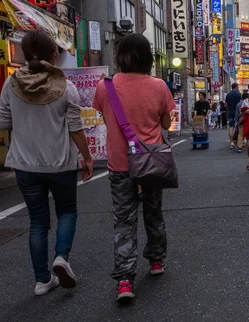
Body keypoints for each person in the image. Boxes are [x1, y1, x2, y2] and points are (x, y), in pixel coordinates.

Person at [0, 30, 93, 296]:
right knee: (67, 212)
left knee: (38, 222)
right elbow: (76, 128)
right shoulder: (66, 86)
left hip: (25, 165)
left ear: (23, 53)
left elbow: (3, 121)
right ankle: (61, 257)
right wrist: (86, 158)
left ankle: (42, 280)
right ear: (54, 55)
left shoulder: (11, 84)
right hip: (60, 164)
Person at [92, 33, 176, 302]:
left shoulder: (105, 87)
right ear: (149, 57)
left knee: (123, 220)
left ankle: (125, 280)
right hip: (151, 161)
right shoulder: (159, 86)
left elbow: (104, 118)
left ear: (120, 56)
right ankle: (156, 260)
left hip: (119, 163)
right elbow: (165, 125)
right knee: (153, 212)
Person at [226, 83, 242, 148]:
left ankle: (231, 142)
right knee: (239, 126)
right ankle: (239, 140)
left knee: (231, 127)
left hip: (230, 112)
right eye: (238, 87)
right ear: (236, 87)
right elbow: (241, 103)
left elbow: (226, 105)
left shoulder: (228, 95)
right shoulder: (239, 94)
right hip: (238, 113)